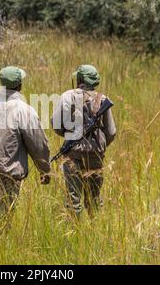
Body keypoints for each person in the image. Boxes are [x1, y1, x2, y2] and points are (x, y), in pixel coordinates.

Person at [0, 66, 51, 240]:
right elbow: (39, 145)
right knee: (1, 223)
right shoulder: (24, 110)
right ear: (19, 85)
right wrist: (45, 170)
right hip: (7, 176)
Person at [51, 65, 116, 217]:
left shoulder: (68, 96)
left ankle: (74, 232)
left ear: (79, 79)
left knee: (73, 199)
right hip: (96, 155)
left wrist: (69, 135)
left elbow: (56, 124)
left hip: (73, 154)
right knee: (94, 198)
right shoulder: (102, 99)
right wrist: (99, 145)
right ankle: (95, 228)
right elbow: (111, 132)